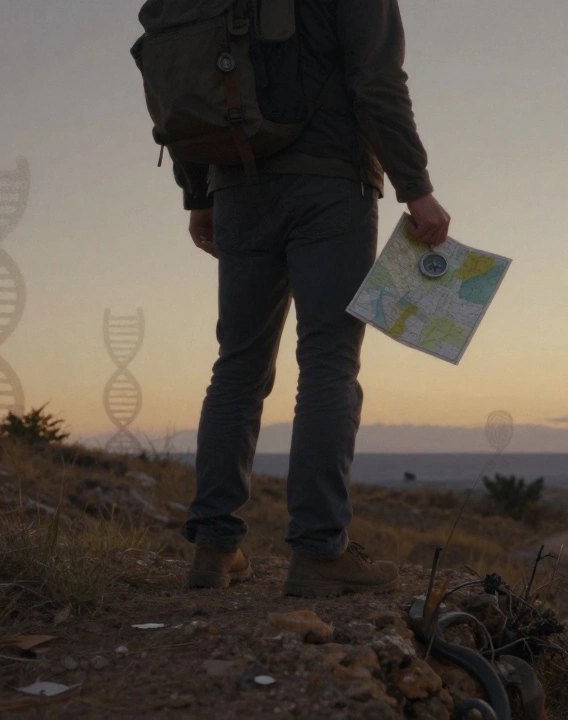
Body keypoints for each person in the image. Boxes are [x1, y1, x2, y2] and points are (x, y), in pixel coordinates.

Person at [175, 0, 450, 595]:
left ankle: (214, 548)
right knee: (328, 363)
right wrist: (417, 189)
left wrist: (199, 192)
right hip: (330, 186)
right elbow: (378, 82)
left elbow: (190, 84)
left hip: (237, 189)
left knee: (238, 367)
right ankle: (318, 553)